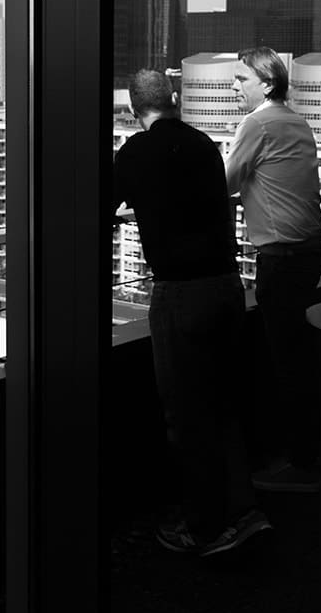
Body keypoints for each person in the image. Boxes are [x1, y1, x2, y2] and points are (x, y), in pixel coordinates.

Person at [114, 69, 271, 557]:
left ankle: (205, 527)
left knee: (186, 411)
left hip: (181, 293)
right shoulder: (205, 145)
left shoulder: (136, 152)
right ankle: (243, 509)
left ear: (135, 111)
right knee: (224, 403)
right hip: (226, 285)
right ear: (176, 99)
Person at [225, 46, 321, 493]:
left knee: (287, 364)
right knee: (302, 360)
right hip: (310, 254)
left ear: (266, 83)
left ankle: (301, 463)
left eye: (241, 79)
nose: (233, 87)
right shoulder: (296, 120)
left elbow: (225, 182)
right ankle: (310, 453)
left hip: (281, 259)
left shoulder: (257, 123)